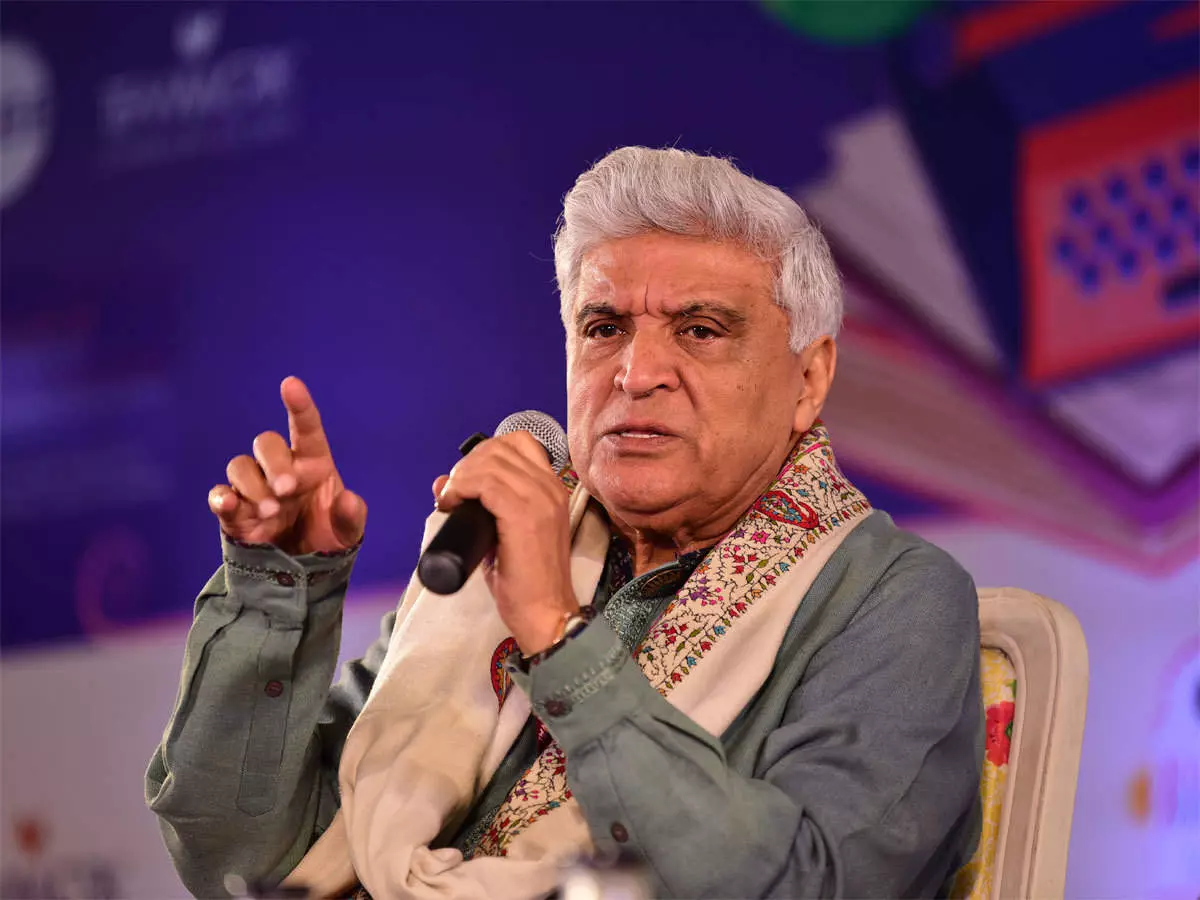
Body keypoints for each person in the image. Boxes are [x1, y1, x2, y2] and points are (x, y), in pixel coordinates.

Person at [147, 146, 983, 899]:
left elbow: (813, 885)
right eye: (604, 328)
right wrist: (278, 592)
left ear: (810, 379)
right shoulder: (495, 553)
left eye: (699, 330)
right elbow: (240, 861)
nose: (637, 373)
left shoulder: (892, 600)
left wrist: (558, 639)